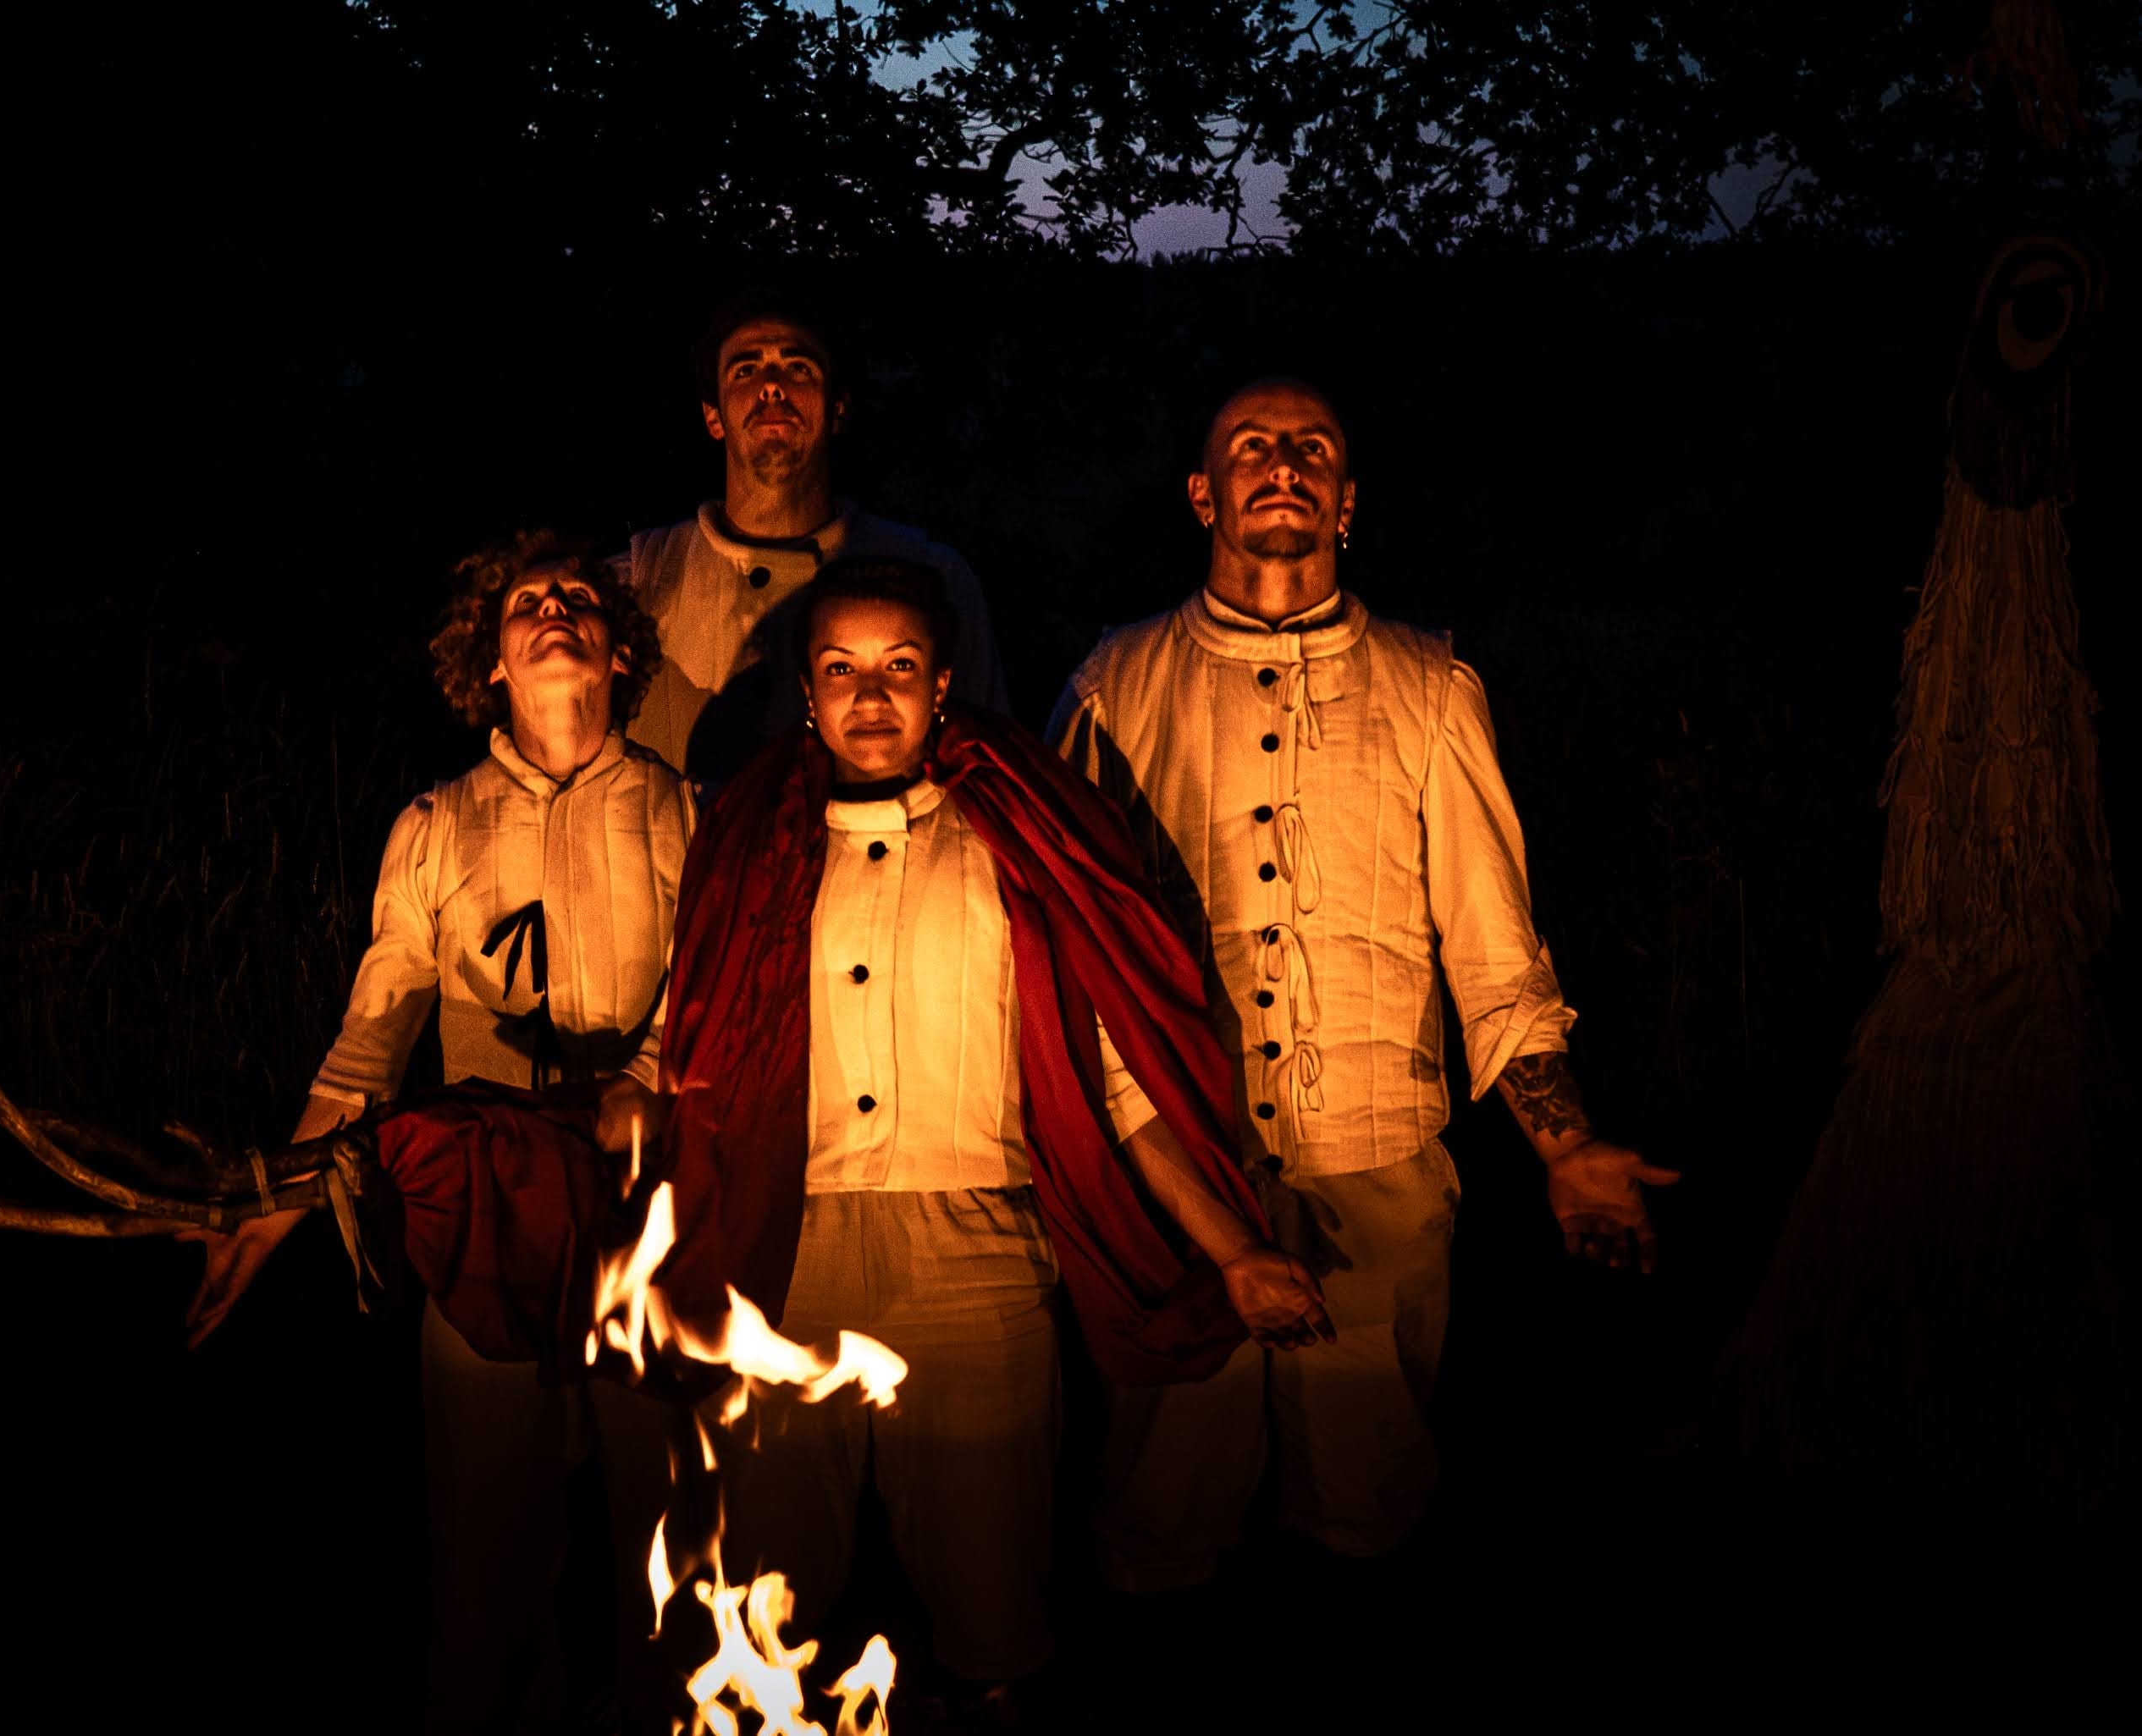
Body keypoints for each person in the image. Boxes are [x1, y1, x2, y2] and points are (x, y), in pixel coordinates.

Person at [653, 558, 1328, 1722]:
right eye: (842, 670)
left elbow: (1114, 1080)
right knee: (769, 1607)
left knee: (992, 1604)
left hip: (977, 1265)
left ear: (946, 683)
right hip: (788, 1264)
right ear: (808, 696)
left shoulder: (1017, 842)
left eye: (900, 667)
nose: (872, 696)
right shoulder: (748, 842)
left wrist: (1234, 1250)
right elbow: (691, 1042)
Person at [1049, 378, 1680, 1573]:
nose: (1280, 464)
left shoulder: (1430, 686)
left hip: (1382, 1179)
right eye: (1250, 446)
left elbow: (1494, 945)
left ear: (1348, 501)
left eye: (1311, 449)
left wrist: (1564, 1143)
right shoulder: (1111, 688)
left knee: (1368, 1507)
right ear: (1202, 492)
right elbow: (1066, 950)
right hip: (1184, 1172)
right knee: (1162, 1514)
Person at [181, 531, 690, 1735]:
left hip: (647, 1235)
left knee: (663, 1562)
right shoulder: (435, 824)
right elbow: (371, 1040)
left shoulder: (682, 810)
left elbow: (720, 993)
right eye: (527, 603)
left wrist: (646, 1075)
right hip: (485, 1233)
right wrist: (270, 1212)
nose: (555, 610)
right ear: (492, 660)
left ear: (619, 652)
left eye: (578, 598)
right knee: (485, 1571)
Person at [621, 289, 1008, 792]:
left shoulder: (935, 579)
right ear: (713, 417)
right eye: (745, 370)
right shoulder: (634, 585)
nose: (772, 387)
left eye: (798, 368)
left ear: (839, 408)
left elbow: (991, 783)